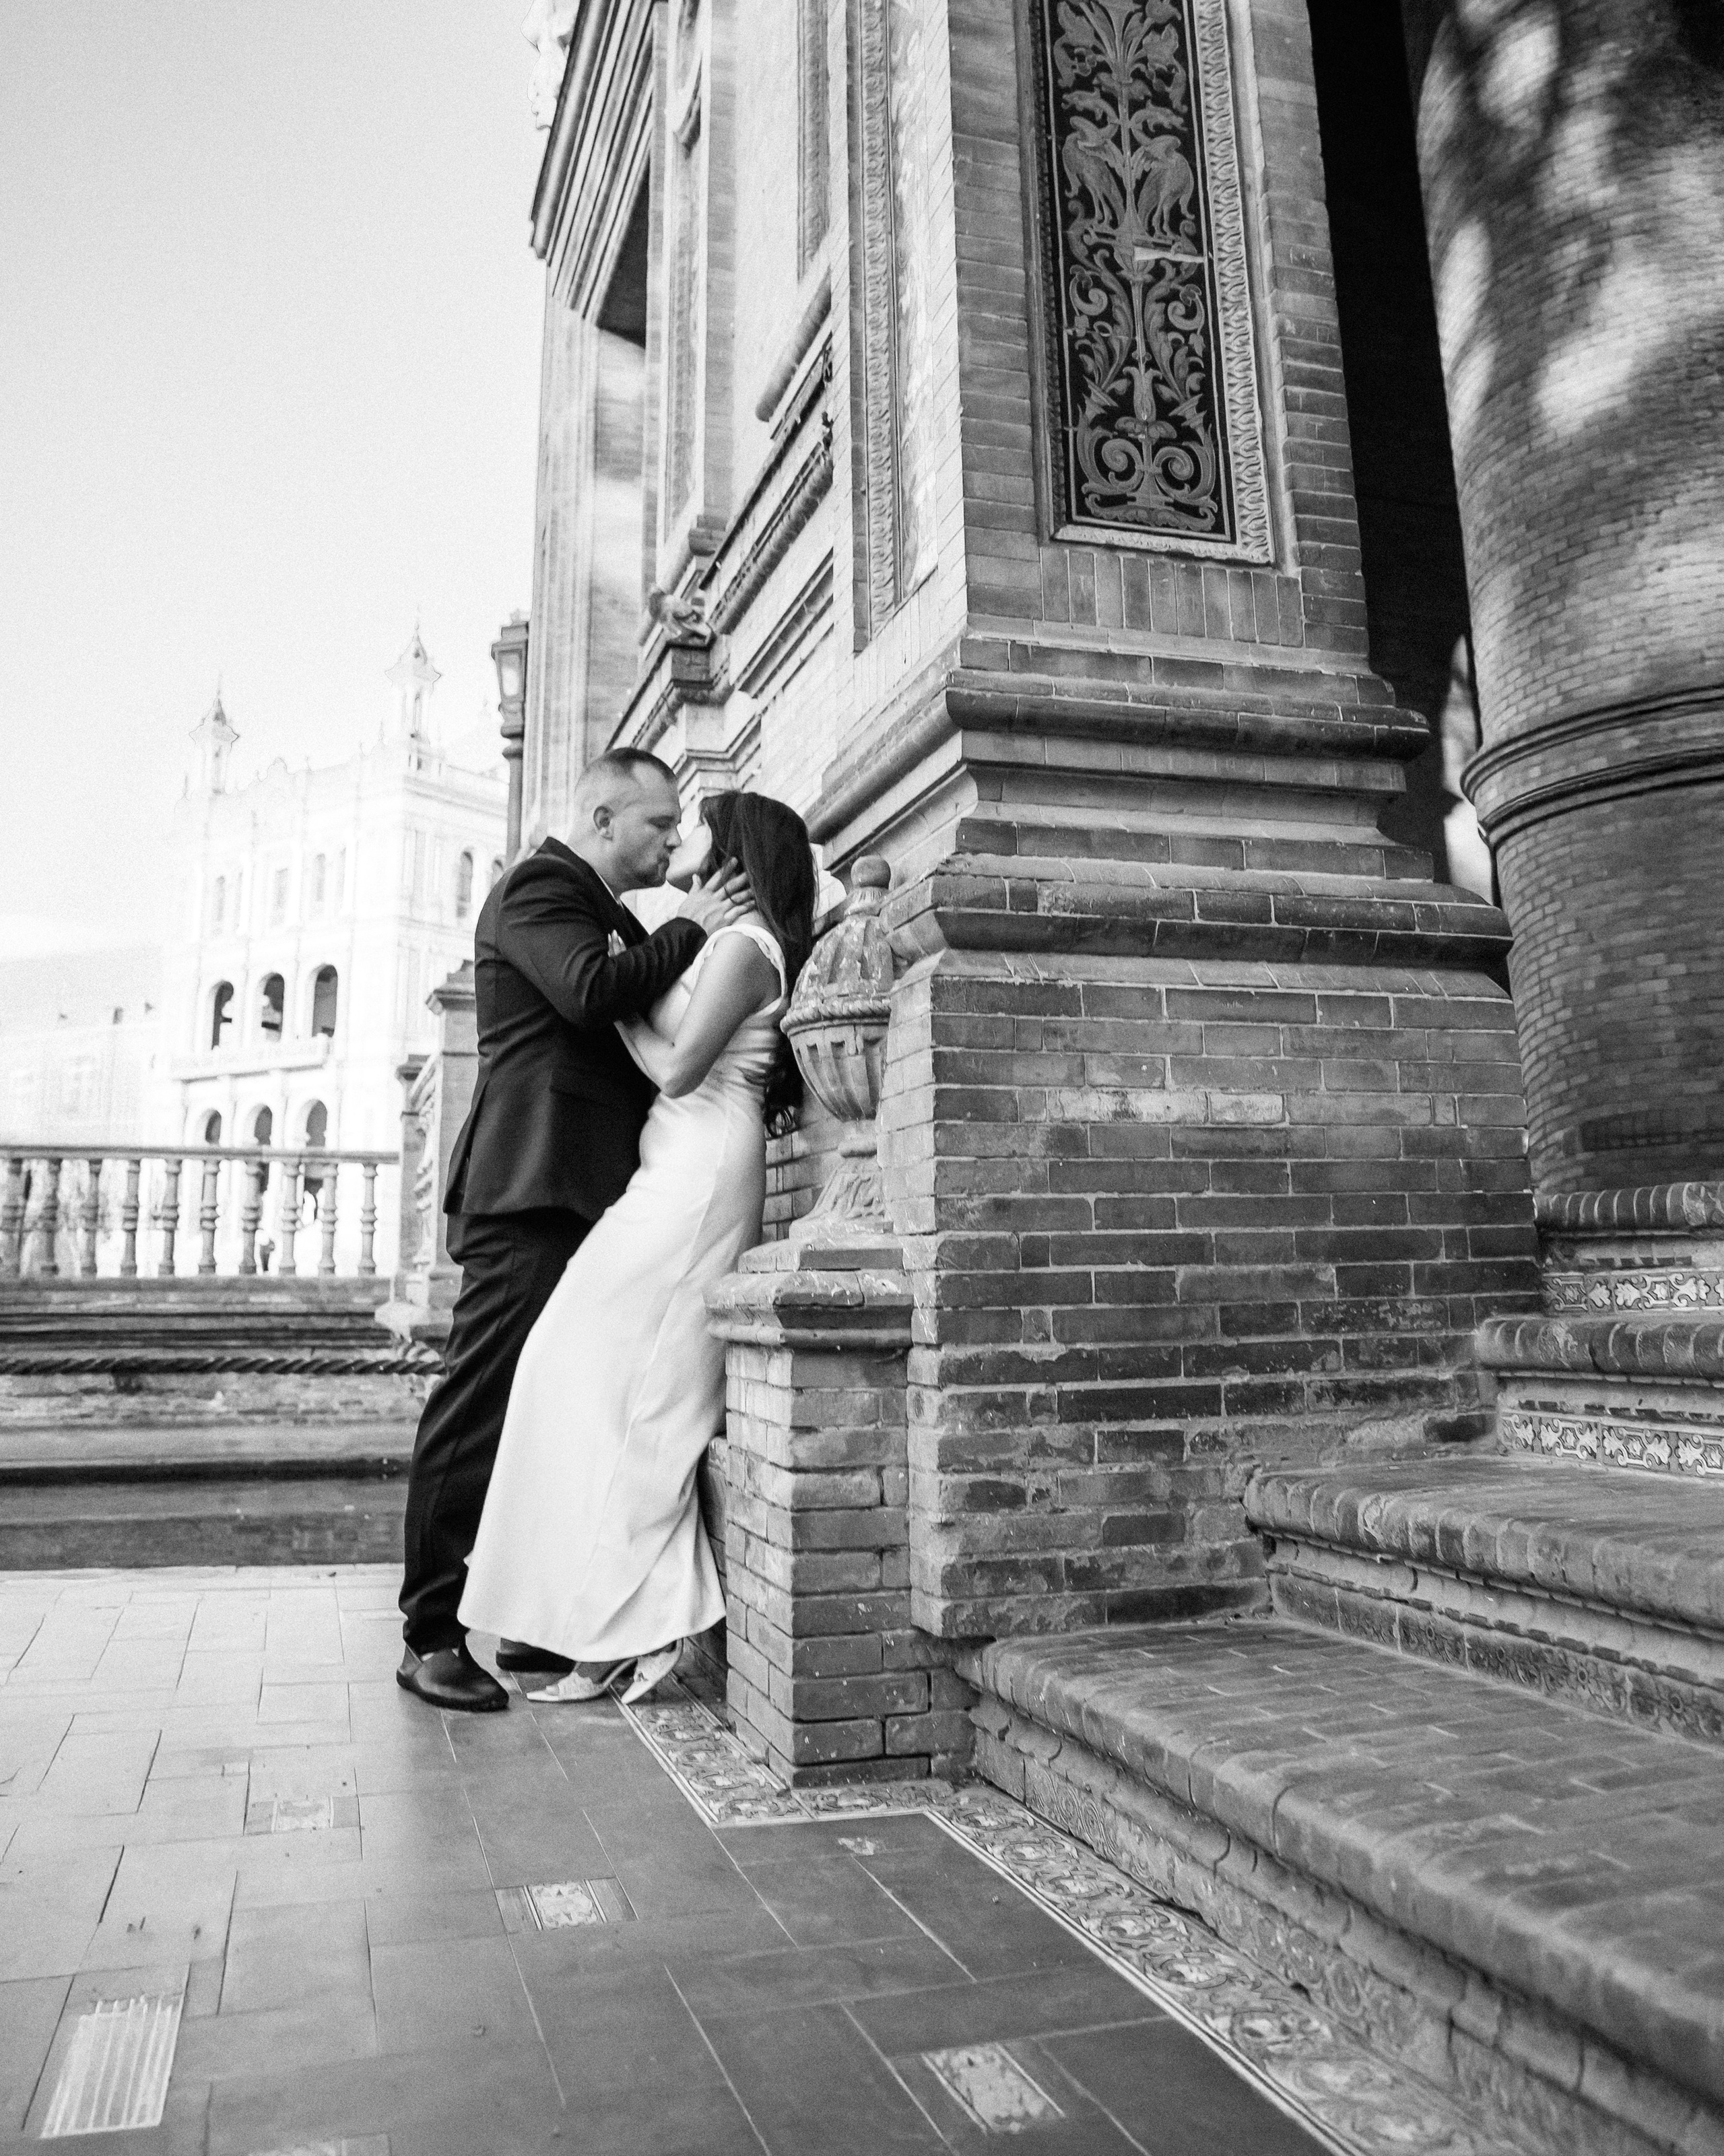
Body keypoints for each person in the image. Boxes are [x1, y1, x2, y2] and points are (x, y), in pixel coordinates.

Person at [397, 750, 752, 1713]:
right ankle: (430, 1633)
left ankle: (539, 1619)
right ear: (601, 816)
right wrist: (691, 927)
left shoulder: (593, 899)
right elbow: (592, 991)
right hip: (530, 1188)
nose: (674, 840)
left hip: (585, 1193)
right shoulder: (540, 887)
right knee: (479, 1404)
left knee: (554, 1406)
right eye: (659, 823)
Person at [457, 790, 816, 1704]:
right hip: (670, 1163)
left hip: (698, 1173)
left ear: (732, 850)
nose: (680, 836)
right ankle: (594, 1619)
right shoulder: (710, 932)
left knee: (635, 1386)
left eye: (695, 822)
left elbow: (677, 1065)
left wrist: (607, 1006)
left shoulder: (747, 944)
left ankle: (631, 1627)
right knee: (571, 1370)